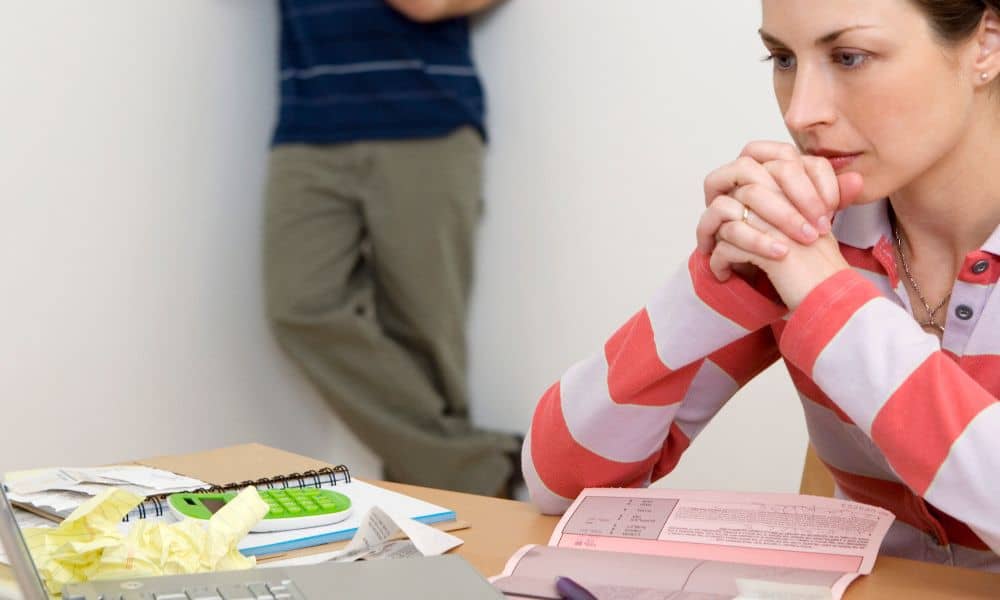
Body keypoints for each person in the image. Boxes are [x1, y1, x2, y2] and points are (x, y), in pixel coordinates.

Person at [523, 0, 1000, 570]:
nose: (801, 112)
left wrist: (833, 306)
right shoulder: (816, 240)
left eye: (849, 57)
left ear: (986, 43)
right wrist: (713, 285)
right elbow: (560, 480)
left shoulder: (820, 275)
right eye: (782, 58)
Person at [265, 0, 521, 497]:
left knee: (426, 333)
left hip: (425, 121)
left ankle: (439, 535)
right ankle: (482, 469)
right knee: (298, 305)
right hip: (308, 124)